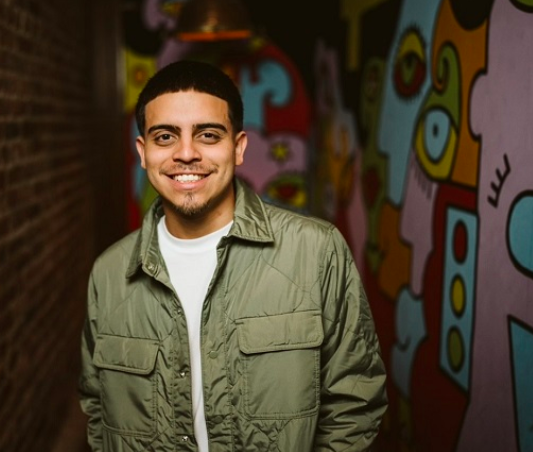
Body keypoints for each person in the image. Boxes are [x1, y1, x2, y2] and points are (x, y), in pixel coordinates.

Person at [79, 60, 387, 452]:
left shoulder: (316, 252)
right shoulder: (109, 273)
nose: (186, 153)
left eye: (208, 135)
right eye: (165, 137)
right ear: (143, 152)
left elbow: (355, 404)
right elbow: (98, 408)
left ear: (238, 147)